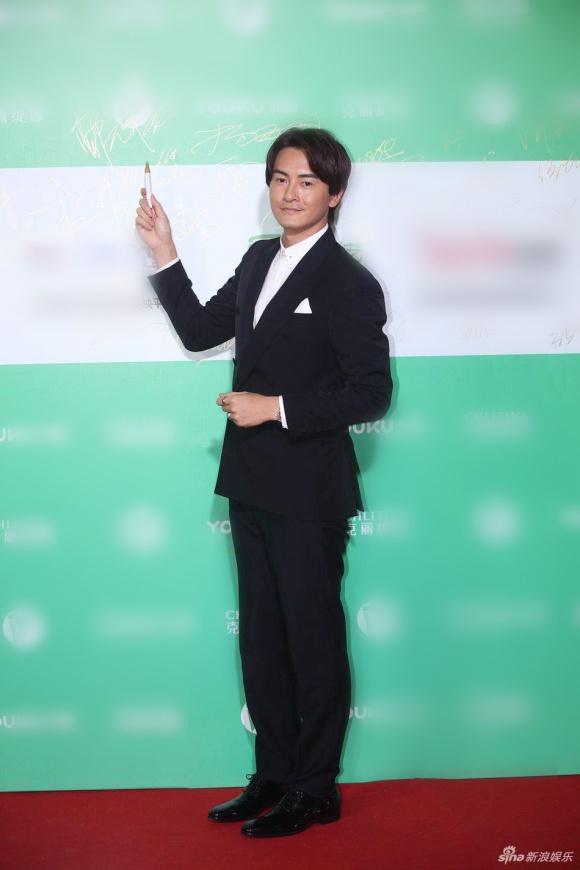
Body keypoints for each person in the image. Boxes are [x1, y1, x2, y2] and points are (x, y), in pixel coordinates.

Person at [135, 127, 393, 838]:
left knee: (312, 640)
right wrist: (164, 252)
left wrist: (275, 407)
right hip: (250, 482)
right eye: (280, 178)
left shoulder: (349, 282)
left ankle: (316, 789)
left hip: (309, 492)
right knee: (261, 639)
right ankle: (274, 774)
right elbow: (199, 331)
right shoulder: (256, 259)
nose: (290, 192)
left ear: (334, 195)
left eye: (307, 181)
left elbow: (372, 394)